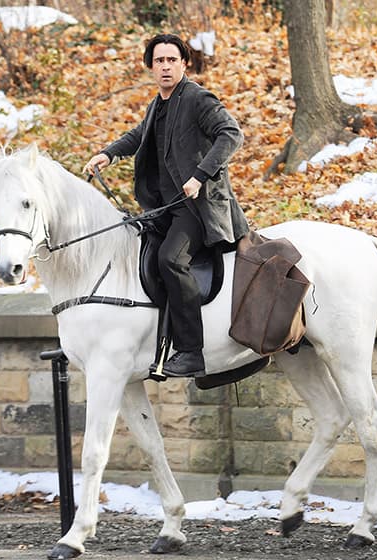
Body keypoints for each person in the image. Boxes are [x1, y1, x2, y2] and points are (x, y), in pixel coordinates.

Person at [84, 33, 249, 378]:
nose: (165, 66)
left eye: (172, 60)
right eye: (159, 61)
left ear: (184, 63)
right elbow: (139, 135)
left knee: (171, 259)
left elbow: (231, 133)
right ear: (150, 66)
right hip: (164, 209)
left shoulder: (197, 99)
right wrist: (108, 154)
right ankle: (152, 344)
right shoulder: (158, 104)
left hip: (198, 209)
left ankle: (191, 352)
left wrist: (200, 175)